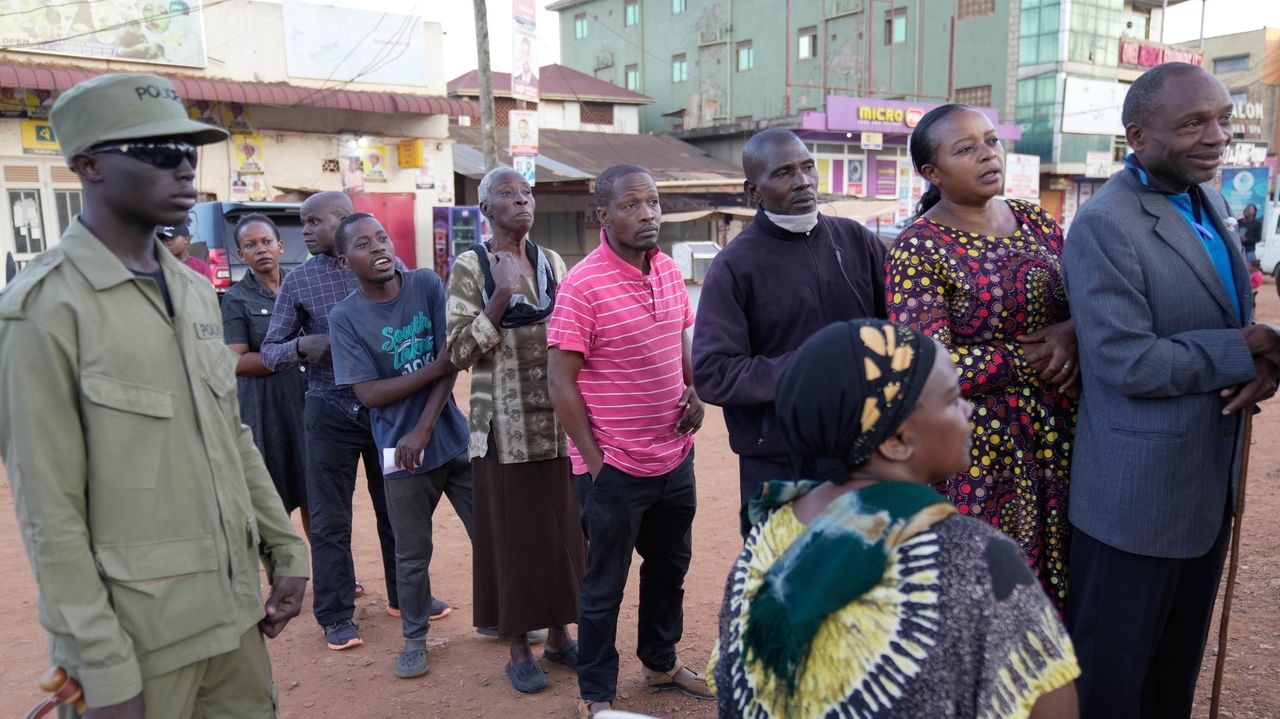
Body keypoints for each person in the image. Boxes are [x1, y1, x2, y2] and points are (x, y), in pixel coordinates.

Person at [0, 73, 308, 717]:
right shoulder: (44, 310)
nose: (185, 167)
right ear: (90, 166)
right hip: (138, 643)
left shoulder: (197, 295)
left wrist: (285, 547)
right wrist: (101, 667)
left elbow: (233, 435)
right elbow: (48, 510)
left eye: (190, 149)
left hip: (232, 620)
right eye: (159, 151)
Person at [707, 319, 1080, 718]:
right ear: (897, 440)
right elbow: (1052, 709)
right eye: (954, 400)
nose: (968, 409)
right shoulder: (974, 559)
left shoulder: (769, 533)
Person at [1063, 62, 1280, 717]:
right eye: (1192, 123)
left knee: (1171, 675)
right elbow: (1125, 360)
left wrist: (1260, 361)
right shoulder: (1106, 222)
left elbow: (1225, 321)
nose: (1216, 136)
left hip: (1204, 486)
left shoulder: (1204, 198)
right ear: (1138, 135)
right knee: (1111, 678)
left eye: (1222, 118)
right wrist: (1244, 350)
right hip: (1133, 500)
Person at [885, 104, 1077, 607]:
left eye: (991, 141)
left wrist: (1074, 331)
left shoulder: (1037, 220)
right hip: (979, 455)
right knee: (989, 598)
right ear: (932, 173)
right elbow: (928, 367)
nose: (987, 155)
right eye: (965, 149)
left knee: (1069, 588)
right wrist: (1030, 355)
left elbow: (1086, 299)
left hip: (1064, 438)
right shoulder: (919, 248)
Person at [548, 164, 710, 719]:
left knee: (670, 568)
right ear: (603, 215)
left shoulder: (667, 270)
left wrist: (695, 390)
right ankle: (596, 694)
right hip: (613, 468)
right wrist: (597, 466)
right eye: (631, 205)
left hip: (674, 456)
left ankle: (660, 663)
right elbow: (559, 383)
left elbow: (680, 343)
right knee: (605, 585)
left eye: (653, 203)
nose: (647, 215)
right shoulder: (582, 284)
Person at [692, 128, 887, 529]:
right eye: (783, 173)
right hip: (780, 463)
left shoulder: (857, 241)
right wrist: (811, 367)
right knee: (784, 580)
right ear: (754, 190)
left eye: (807, 167)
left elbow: (904, 329)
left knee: (865, 580)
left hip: (865, 451)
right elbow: (713, 373)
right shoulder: (734, 266)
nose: (802, 181)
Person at [447, 168, 585, 693]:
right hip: (502, 429)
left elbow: (572, 338)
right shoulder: (471, 266)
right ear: (485, 208)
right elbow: (458, 352)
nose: (522, 201)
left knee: (560, 535)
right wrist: (500, 297)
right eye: (508, 194)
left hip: (555, 425)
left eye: (527, 194)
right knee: (512, 541)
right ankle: (516, 649)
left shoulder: (552, 262)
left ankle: (558, 638)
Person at [328, 213, 474, 680]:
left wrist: (426, 427)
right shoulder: (345, 317)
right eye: (364, 245)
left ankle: (504, 619)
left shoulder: (427, 284)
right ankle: (415, 638)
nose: (378, 249)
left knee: (491, 536)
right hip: (400, 454)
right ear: (344, 260)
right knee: (411, 555)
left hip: (451, 440)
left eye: (382, 238)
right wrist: (433, 368)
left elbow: (451, 360)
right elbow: (369, 394)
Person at [260, 191, 404, 650]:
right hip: (329, 411)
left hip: (386, 411)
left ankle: (406, 596)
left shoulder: (388, 273)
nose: (305, 230)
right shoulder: (299, 282)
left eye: (314, 221)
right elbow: (269, 350)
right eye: (302, 222)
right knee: (329, 519)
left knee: (397, 510)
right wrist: (304, 346)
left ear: (345, 222)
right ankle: (337, 614)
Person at [221, 213, 310, 533]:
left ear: (281, 246)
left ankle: (334, 574)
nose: (260, 249)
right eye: (250, 245)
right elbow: (235, 361)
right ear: (240, 254)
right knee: (275, 495)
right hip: (266, 409)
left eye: (266, 242)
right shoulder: (236, 299)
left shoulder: (301, 285)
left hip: (307, 404)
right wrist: (295, 350)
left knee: (316, 494)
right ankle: (286, 573)